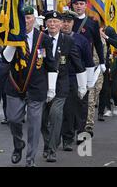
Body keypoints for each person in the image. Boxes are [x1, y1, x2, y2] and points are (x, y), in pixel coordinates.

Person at [1, 6, 57, 167]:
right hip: (15, 86)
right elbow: (5, 60)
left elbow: (51, 64)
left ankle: (30, 158)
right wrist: (13, 41)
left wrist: (51, 88)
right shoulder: (11, 36)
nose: (26, 21)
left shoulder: (44, 39)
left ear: (34, 19)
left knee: (34, 125)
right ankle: (18, 145)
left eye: (28, 18)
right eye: (23, 18)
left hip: (37, 88)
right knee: (13, 120)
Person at [40, 11, 86, 163]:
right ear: (46, 24)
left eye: (55, 21)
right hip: (42, 83)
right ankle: (47, 143)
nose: (52, 24)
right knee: (42, 118)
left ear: (60, 24)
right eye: (50, 21)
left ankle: (52, 150)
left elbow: (78, 63)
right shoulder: (40, 39)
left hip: (61, 83)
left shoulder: (67, 41)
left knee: (56, 114)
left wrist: (82, 85)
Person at [71, 0, 105, 136]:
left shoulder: (92, 23)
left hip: (87, 65)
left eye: (81, 4)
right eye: (76, 4)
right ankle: (72, 125)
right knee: (72, 97)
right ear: (73, 5)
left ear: (86, 6)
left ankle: (85, 126)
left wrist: (102, 62)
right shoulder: (68, 21)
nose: (79, 6)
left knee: (87, 98)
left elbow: (98, 43)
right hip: (71, 65)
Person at [60, 10, 94, 151]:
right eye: (64, 21)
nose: (66, 24)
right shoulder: (56, 38)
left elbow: (88, 61)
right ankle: (67, 138)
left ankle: (81, 135)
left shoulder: (81, 40)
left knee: (81, 108)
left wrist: (88, 82)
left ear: (73, 23)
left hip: (78, 78)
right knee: (67, 110)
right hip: (62, 77)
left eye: (69, 22)